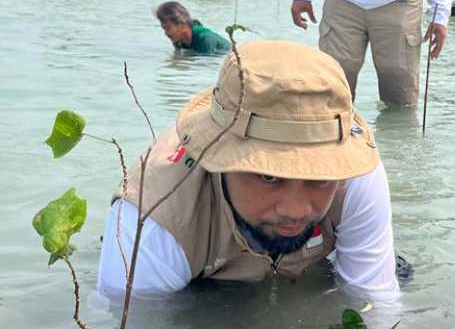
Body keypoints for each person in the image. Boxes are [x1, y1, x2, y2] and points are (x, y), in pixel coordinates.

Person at [97, 41, 399, 300]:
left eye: (318, 178)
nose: (295, 210)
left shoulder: (355, 174)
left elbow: (373, 300)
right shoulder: (153, 220)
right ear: (220, 159)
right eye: (269, 176)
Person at [290, 0, 452, 106]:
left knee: (400, 92)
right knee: (333, 84)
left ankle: (398, 145)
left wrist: (440, 16)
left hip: (402, 3)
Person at [155, 1, 231, 55]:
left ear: (182, 24)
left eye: (168, 28)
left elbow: (206, 67)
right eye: (164, 29)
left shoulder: (205, 39)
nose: (166, 33)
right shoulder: (178, 42)